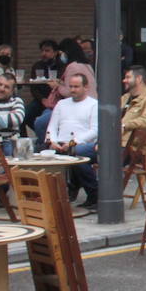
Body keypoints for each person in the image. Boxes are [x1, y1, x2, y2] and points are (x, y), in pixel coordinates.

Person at [45, 72, 99, 207]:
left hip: (82, 144)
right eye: (71, 86)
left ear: (86, 87)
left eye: (76, 86)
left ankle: (91, 194)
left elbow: (94, 130)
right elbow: (52, 126)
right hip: (61, 143)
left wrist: (72, 143)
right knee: (39, 151)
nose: (73, 90)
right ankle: (48, 196)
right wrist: (53, 141)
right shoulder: (61, 104)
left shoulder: (93, 104)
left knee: (77, 155)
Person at [119, 66, 146, 150]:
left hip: (134, 148)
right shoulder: (125, 97)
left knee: (89, 155)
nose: (124, 80)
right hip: (116, 143)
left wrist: (124, 125)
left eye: (128, 77)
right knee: (87, 153)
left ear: (139, 79)